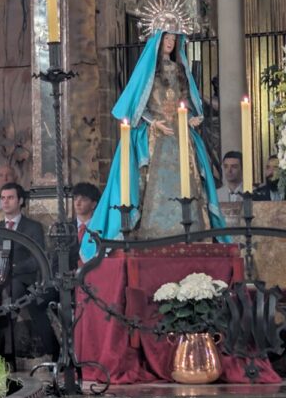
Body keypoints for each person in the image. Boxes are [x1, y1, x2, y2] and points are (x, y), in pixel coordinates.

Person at [80, 30, 227, 261]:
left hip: (180, 135)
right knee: (147, 182)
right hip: (156, 135)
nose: (170, 43)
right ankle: (149, 235)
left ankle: (191, 232)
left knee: (191, 180)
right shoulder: (149, 72)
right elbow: (139, 102)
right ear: (157, 43)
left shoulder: (180, 70)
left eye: (173, 40)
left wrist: (189, 118)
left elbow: (184, 100)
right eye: (166, 39)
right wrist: (153, 122)